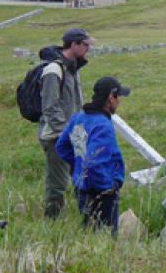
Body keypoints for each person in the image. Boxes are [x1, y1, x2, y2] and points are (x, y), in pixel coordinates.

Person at [55, 76, 130, 236]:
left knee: (89, 232)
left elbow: (61, 146)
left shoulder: (78, 118)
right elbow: (95, 163)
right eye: (118, 97)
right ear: (111, 97)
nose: (119, 101)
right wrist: (109, 186)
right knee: (106, 236)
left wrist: (78, 167)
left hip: (81, 187)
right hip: (102, 192)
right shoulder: (103, 125)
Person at [38, 28, 93, 219]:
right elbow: (50, 107)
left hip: (74, 134)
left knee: (84, 175)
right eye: (86, 44)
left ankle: (87, 216)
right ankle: (52, 223)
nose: (88, 48)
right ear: (74, 44)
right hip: (56, 137)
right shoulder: (54, 70)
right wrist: (65, 133)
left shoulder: (73, 69)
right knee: (57, 184)